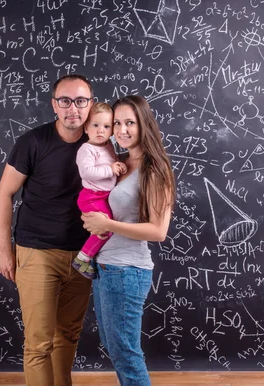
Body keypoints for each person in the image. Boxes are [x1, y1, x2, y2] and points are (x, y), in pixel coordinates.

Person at [0, 74, 95, 386]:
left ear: (90, 105)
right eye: (65, 101)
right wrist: (5, 250)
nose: (73, 109)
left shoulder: (100, 145)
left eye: (80, 101)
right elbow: (4, 194)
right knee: (39, 343)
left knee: (67, 336)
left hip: (82, 257)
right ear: (54, 105)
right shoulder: (33, 142)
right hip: (37, 252)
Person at [81, 95, 176, 386]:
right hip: (105, 268)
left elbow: (159, 231)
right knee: (116, 349)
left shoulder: (155, 170)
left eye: (130, 123)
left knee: (125, 352)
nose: (122, 130)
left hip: (127, 271)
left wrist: (107, 224)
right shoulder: (118, 162)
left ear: (144, 124)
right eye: (117, 123)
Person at [72, 102, 128, 279]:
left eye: (106, 126)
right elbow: (87, 172)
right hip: (91, 197)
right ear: (86, 127)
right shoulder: (86, 149)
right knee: (105, 228)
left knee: (107, 226)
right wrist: (110, 170)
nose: (100, 131)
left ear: (111, 130)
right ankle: (83, 258)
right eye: (95, 125)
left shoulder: (108, 145)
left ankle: (90, 256)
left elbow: (111, 163)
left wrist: (118, 165)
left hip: (104, 196)